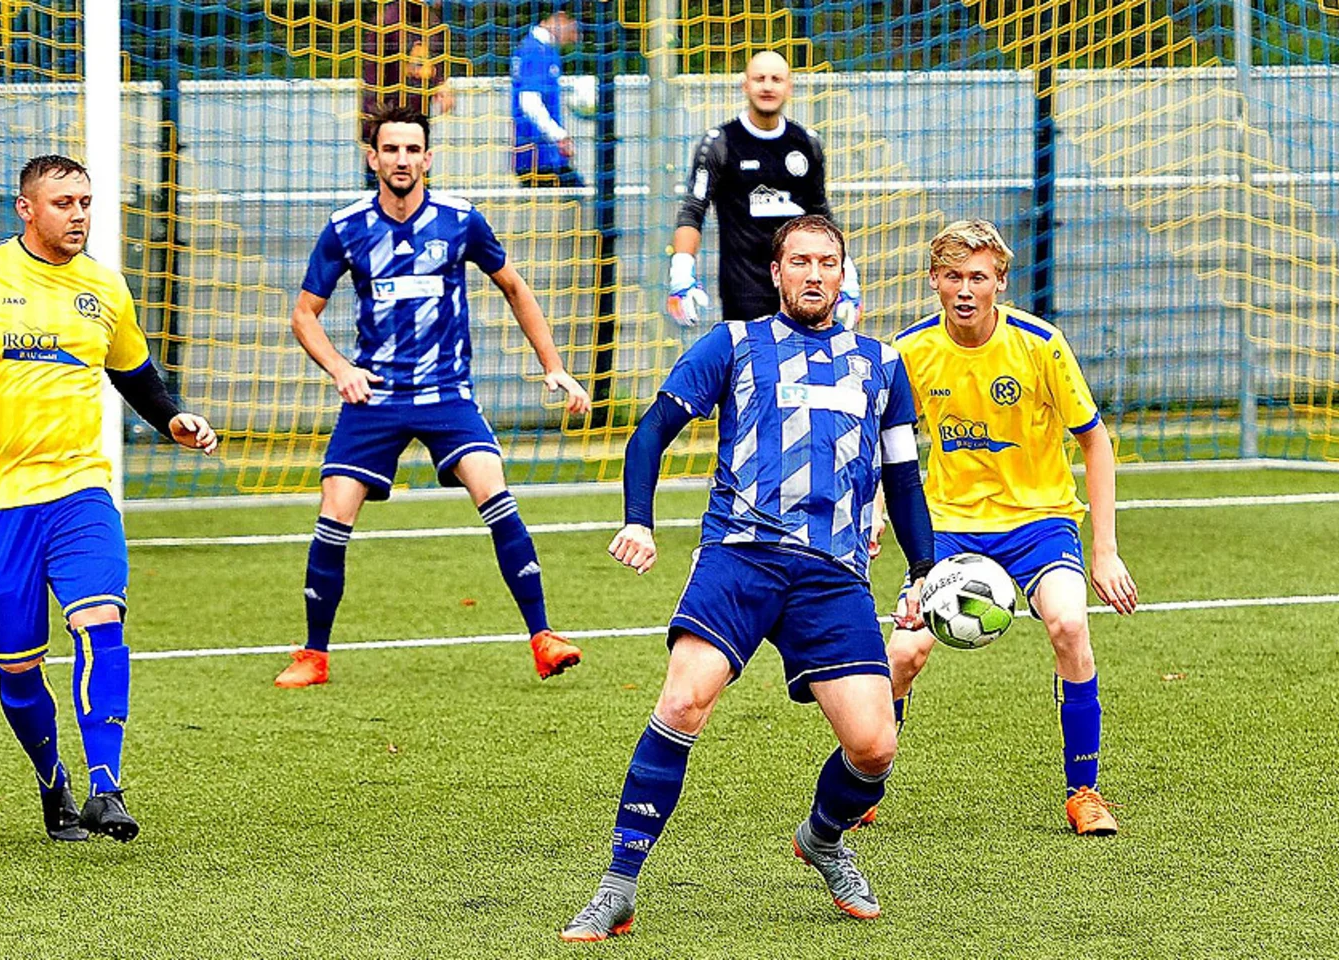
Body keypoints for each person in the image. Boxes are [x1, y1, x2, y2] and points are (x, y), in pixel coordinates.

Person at [560, 215, 934, 941]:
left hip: (833, 574)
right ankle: (617, 887)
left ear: (843, 274)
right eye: (801, 261)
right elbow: (650, 432)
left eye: (827, 262)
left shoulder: (883, 365)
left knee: (875, 746)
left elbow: (904, 478)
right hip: (740, 554)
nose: (814, 274)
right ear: (776, 271)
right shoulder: (731, 344)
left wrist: (923, 569)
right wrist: (639, 520)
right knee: (682, 701)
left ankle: (822, 837)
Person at [0, 154, 218, 842]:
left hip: (77, 490)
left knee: (101, 621)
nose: (79, 214)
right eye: (63, 203)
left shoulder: (105, 287)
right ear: (26, 209)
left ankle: (105, 787)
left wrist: (173, 419)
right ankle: (52, 778)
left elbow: (135, 374)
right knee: (19, 667)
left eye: (85, 201)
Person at [278, 105, 593, 689]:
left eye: (411, 150)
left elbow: (514, 286)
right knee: (334, 512)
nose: (401, 160)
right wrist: (341, 369)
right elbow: (304, 315)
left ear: (427, 157)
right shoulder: (346, 227)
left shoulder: (460, 220)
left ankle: (544, 637)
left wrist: (554, 367)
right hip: (375, 397)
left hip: (447, 392)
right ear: (373, 158)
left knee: (494, 490)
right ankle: (314, 656)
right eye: (390, 149)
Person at [871, 220, 1136, 837]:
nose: (966, 290)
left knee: (1069, 623)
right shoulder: (908, 351)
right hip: (948, 525)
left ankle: (1084, 791)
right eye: (953, 276)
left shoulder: (1040, 345)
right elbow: (881, 444)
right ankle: (863, 783)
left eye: (979, 277)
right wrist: (877, 512)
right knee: (904, 652)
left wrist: (1105, 550)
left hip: (1039, 521)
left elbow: (1095, 442)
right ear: (934, 281)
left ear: (1001, 282)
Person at [666, 50, 858, 328]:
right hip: (744, 291)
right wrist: (681, 271)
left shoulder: (807, 143)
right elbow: (693, 210)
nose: (768, 86)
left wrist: (846, 275)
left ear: (789, 87)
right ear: (745, 85)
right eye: (759, 79)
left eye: (776, 79)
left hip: (802, 287)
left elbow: (821, 215)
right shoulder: (720, 144)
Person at [360, 0, 453, 189]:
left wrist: (440, 84)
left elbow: (431, 64)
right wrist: (371, 126)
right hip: (388, 129)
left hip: (417, 126)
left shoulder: (431, 22)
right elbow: (372, 79)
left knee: (418, 190)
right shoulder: (387, 22)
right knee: (383, 191)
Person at [511, 9, 582, 188]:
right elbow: (529, 100)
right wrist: (559, 136)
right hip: (539, 154)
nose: (575, 36)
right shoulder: (536, 50)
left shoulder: (540, 48)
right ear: (560, 18)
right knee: (583, 198)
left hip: (543, 154)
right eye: (573, 28)